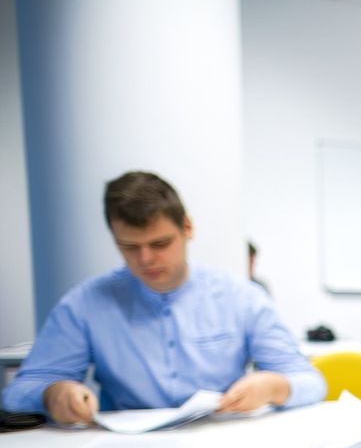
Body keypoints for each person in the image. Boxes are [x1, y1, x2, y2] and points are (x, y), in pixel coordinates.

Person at [3, 171, 325, 424]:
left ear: (187, 228)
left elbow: (311, 382)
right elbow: (18, 392)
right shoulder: (85, 304)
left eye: (159, 244)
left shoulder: (241, 297)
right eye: (129, 247)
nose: (145, 259)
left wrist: (274, 387)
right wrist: (53, 394)